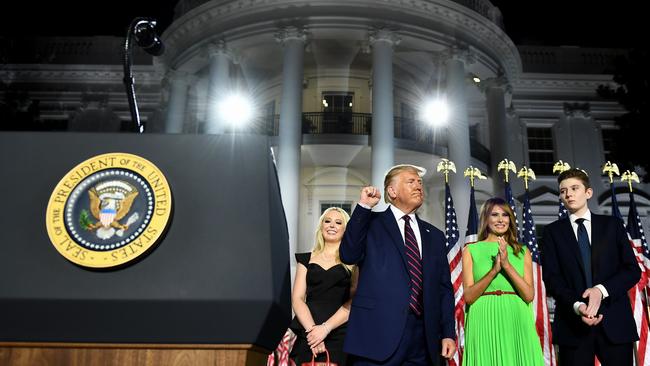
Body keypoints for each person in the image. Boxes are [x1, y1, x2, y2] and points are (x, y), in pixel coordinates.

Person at [339, 164, 455, 366]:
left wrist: (447, 333)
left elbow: (444, 289)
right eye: (411, 181)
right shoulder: (370, 223)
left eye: (420, 182)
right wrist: (364, 206)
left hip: (424, 340)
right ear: (391, 191)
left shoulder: (435, 236)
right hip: (377, 335)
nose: (419, 186)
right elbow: (348, 255)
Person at [542, 168, 640, 365]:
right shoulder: (552, 232)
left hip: (615, 323)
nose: (568, 194)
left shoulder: (612, 225)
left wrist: (600, 291)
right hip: (573, 326)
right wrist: (578, 307)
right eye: (563, 191)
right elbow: (552, 279)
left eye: (574, 188)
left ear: (588, 193)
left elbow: (631, 270)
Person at [461, 197, 544, 365]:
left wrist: (506, 265)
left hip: (516, 317)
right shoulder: (471, 249)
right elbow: (469, 296)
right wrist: (494, 271)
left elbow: (528, 295)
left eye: (505, 215)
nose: (500, 220)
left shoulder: (522, 251)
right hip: (483, 317)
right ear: (486, 218)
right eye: (494, 215)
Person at [290, 207, 358, 366]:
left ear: (345, 229)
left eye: (338, 222)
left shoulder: (354, 262)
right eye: (327, 221)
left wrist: (325, 329)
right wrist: (313, 332)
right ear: (321, 227)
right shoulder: (305, 259)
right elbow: (297, 299)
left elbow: (354, 300)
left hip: (340, 331)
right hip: (308, 331)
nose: (332, 225)